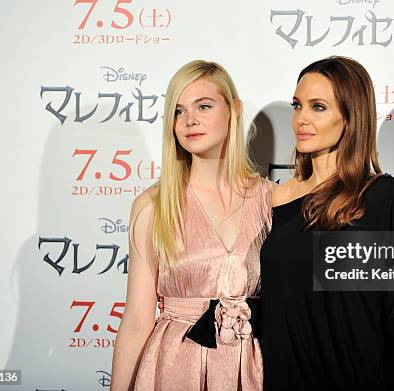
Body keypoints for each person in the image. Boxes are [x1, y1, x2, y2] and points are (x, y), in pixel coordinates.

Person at [110, 60, 272, 391]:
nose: (189, 120)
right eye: (179, 111)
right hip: (175, 367)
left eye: (204, 106)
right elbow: (138, 320)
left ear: (234, 110)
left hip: (253, 368)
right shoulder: (154, 206)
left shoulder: (272, 200)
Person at [260, 56, 394, 390]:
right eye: (297, 105)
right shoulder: (272, 199)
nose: (301, 119)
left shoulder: (384, 197)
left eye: (318, 107)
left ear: (350, 116)